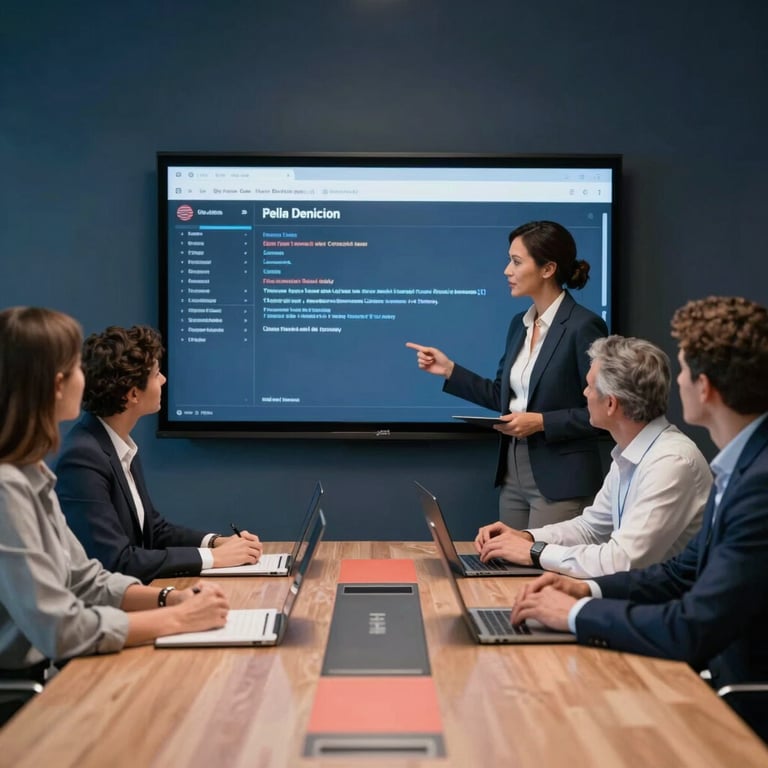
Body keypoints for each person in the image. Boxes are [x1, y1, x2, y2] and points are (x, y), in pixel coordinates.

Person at [511, 296, 768, 742]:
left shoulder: (755, 482)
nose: (676, 384)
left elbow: (692, 627)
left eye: (684, 372)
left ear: (705, 388)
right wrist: (583, 588)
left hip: (732, 705)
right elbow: (680, 572)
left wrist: (576, 613)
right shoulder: (743, 466)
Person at [0, 307, 229, 719]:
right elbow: (62, 629)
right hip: (32, 691)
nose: (84, 379)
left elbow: (85, 580)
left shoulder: (30, 471)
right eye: (75, 368)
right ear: (56, 384)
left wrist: (170, 598)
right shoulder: (7, 487)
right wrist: (177, 619)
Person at [407, 220, 609, 529]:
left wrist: (541, 422)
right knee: (510, 567)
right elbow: (503, 394)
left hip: (561, 478)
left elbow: (604, 413)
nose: (506, 270)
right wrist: (449, 370)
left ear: (547, 269)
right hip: (513, 473)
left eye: (516, 261)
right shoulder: (520, 324)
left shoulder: (584, 326)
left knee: (545, 571)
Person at [473, 335, 711, 578]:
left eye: (589, 385)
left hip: (662, 608)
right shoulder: (632, 451)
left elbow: (622, 561)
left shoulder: (671, 463)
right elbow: (591, 528)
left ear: (611, 404)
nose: (584, 393)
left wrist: (534, 552)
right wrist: (527, 537)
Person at [55, 325, 263, 584]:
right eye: (156, 374)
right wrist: (215, 559)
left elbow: (152, 529)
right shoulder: (82, 458)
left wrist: (216, 543)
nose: (163, 379)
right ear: (132, 394)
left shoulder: (116, 445)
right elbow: (117, 561)